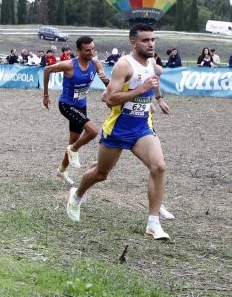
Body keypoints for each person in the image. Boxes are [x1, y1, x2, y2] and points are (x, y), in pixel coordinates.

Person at [66, 23, 174, 240]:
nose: (151, 44)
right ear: (133, 42)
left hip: (142, 127)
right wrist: (140, 90)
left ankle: (153, 224)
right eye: (146, 40)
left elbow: (154, 79)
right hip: (118, 128)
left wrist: (159, 98)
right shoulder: (124, 65)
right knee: (101, 173)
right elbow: (109, 99)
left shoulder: (153, 63)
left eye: (153, 39)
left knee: (159, 166)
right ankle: (76, 195)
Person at [43, 35, 110, 185]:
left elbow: (107, 84)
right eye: (87, 50)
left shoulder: (95, 62)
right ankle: (73, 150)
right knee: (93, 131)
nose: (91, 52)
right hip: (67, 104)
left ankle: (61, 171)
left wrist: (106, 81)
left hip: (81, 105)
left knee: (73, 140)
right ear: (78, 51)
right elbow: (47, 70)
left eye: (92, 49)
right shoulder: (69, 65)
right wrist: (46, 95)